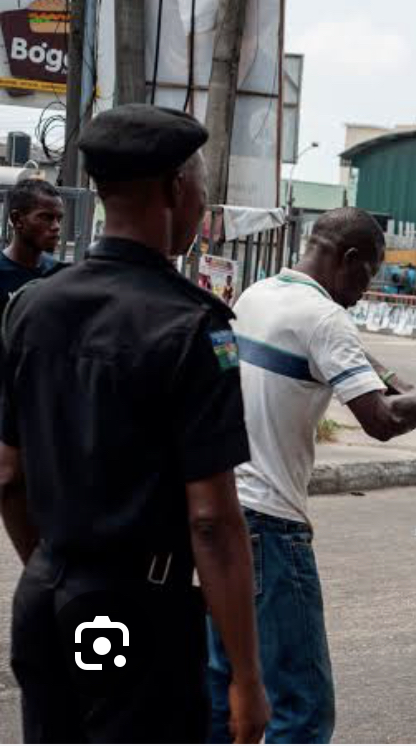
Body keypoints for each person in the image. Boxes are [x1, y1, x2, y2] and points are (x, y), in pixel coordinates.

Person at [0, 104, 268, 742]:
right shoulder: (192, 326)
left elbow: (7, 476)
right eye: (202, 186)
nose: (203, 203)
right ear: (176, 187)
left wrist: (56, 566)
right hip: (128, 615)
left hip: (43, 596)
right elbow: (212, 519)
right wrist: (247, 677)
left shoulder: (32, 306)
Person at [206, 206, 416, 744]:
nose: (366, 290)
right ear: (349, 260)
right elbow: (383, 422)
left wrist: (397, 381)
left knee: (223, 696)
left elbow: (339, 354)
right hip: (272, 532)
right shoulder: (326, 320)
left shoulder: (258, 295)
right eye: (368, 274)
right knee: (301, 710)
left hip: (220, 521)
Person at [0, 178, 65, 313]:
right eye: (46, 217)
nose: (56, 227)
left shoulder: (57, 273)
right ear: (17, 219)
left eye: (59, 219)